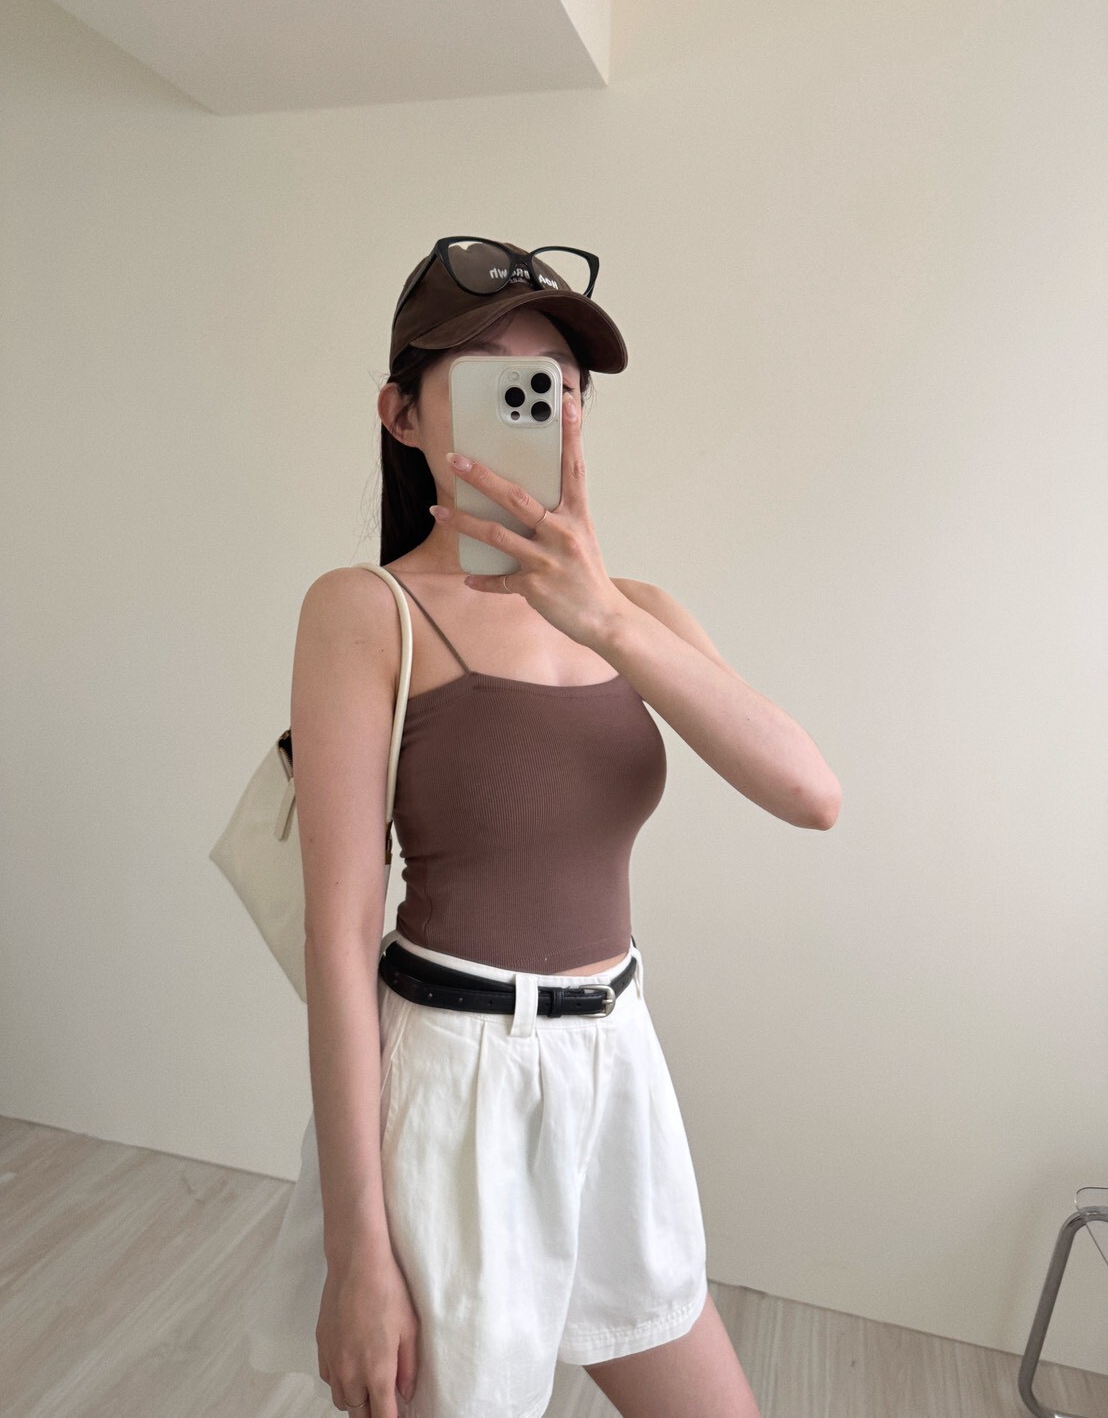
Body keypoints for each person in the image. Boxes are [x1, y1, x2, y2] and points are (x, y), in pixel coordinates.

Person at [246, 237, 842, 1418]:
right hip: (454, 1083)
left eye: (555, 386)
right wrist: (358, 1253)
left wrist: (603, 616)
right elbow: (338, 939)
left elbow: (809, 792)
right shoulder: (365, 611)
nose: (536, 406)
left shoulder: (640, 612)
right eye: (491, 382)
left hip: (614, 1064)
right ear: (402, 414)